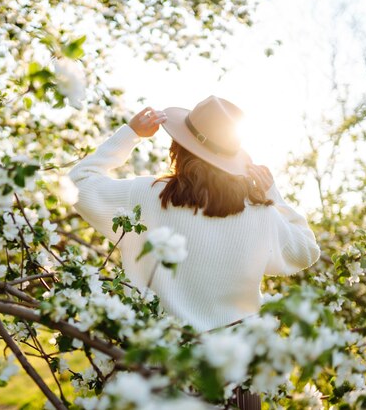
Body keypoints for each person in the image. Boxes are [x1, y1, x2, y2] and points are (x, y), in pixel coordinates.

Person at [68, 95, 320, 409]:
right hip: (233, 381)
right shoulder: (261, 214)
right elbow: (306, 251)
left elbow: (76, 184)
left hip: (157, 378)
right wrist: (273, 195)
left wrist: (129, 134)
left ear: (178, 148)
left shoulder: (147, 197)